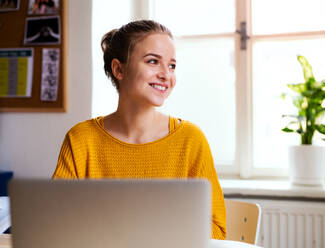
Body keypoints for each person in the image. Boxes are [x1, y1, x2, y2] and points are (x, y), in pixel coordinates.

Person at [52, 20, 226, 239]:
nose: (166, 75)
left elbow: (217, 230)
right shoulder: (80, 139)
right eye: (153, 61)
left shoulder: (191, 140)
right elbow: (56, 222)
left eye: (172, 65)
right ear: (119, 69)